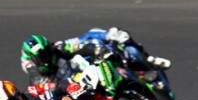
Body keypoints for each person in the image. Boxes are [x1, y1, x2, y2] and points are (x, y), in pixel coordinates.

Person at [20, 28, 171, 86]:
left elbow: (80, 46)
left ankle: (142, 70)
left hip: (86, 72)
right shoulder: (36, 78)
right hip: (76, 89)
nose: (46, 58)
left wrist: (96, 50)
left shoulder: (58, 48)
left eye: (46, 53)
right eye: (41, 57)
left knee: (108, 51)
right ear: (32, 61)